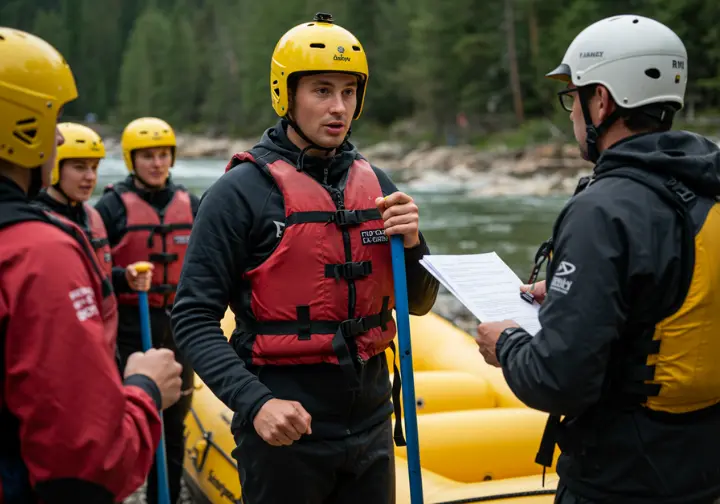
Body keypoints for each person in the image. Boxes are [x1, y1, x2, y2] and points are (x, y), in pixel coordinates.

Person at [170, 12, 439, 504]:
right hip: (283, 429)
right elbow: (191, 318)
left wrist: (415, 244)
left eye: (349, 92)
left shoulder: (377, 185)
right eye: (321, 90)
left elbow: (418, 303)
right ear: (286, 95)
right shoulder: (238, 194)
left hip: (372, 424)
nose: (338, 107)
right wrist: (255, 403)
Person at [474, 14, 720, 504]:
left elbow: (559, 381)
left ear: (602, 100)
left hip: (621, 478)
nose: (572, 115)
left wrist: (508, 344)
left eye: (575, 98)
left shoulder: (603, 209)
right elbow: (669, 303)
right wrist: (576, 296)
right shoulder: (706, 187)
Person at [0, 27, 183, 503]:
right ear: (20, 126)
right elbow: (89, 464)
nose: (58, 135)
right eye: (52, 117)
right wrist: (144, 389)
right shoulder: (38, 253)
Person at [94, 116, 199, 504]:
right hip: (128, 330)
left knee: (173, 425)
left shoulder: (191, 203)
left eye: (162, 155)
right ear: (131, 161)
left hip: (176, 326)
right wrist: (122, 275)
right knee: (119, 424)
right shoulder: (111, 208)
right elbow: (90, 266)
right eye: (148, 156)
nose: (157, 164)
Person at [33, 122, 154, 293]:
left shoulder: (92, 216)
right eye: (79, 167)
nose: (90, 177)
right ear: (55, 168)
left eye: (94, 167)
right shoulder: (36, 221)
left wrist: (124, 278)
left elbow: (97, 277)